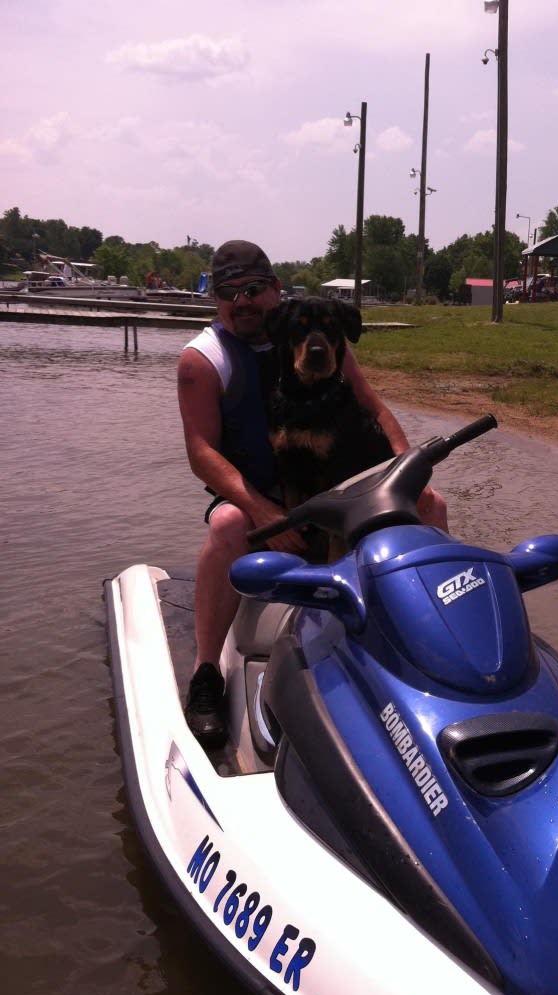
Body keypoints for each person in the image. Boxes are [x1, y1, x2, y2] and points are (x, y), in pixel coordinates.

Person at [177, 239, 447, 748]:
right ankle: (206, 672)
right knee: (228, 524)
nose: (243, 302)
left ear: (275, 291)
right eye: (229, 292)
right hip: (254, 497)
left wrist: (410, 473)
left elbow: (374, 409)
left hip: (335, 488)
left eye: (254, 290)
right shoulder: (203, 360)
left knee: (431, 505)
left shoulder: (316, 333)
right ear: (215, 299)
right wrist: (265, 511)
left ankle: (438, 634)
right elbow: (201, 455)